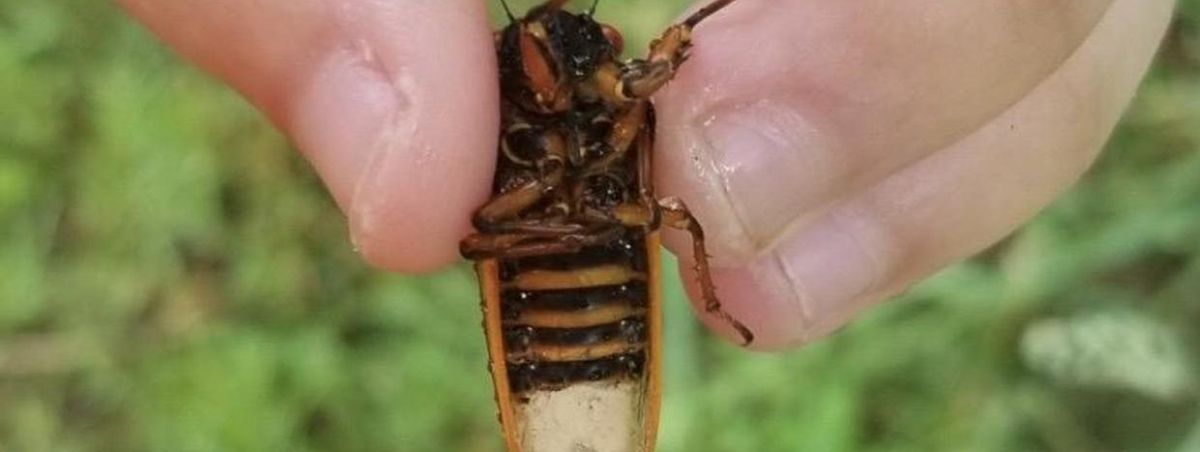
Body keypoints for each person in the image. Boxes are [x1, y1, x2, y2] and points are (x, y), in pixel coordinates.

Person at [117, 0, 1174, 348]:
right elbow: (474, 226)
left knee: (675, 206)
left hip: (584, 259)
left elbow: (664, 87)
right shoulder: (517, 105)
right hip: (546, 271)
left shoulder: (624, 92)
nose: (578, 62)